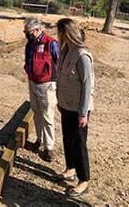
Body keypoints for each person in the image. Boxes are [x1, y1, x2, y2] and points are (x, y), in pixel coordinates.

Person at [55, 18, 94, 197]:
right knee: (68, 139)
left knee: (79, 144)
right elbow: (62, 78)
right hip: (66, 104)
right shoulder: (65, 51)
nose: (58, 35)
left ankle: (83, 180)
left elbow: (87, 85)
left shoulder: (82, 55)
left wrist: (83, 113)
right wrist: (59, 100)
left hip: (78, 109)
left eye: (60, 32)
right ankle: (70, 168)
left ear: (66, 33)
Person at [23, 18, 60, 162]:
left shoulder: (51, 44)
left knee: (47, 115)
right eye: (25, 32)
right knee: (37, 112)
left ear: (37, 30)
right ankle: (39, 140)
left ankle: (49, 148)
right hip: (32, 82)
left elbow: (59, 62)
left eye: (28, 32)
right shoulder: (30, 43)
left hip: (47, 85)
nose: (26, 34)